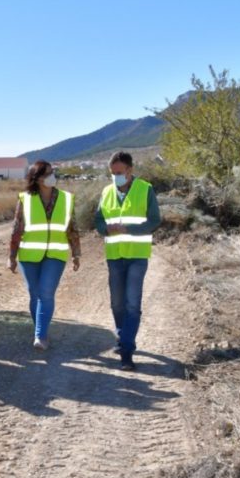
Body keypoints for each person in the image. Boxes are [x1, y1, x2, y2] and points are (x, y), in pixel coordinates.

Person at [94, 151, 162, 372]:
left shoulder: (146, 189)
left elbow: (154, 220)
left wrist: (128, 229)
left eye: (119, 173)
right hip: (114, 255)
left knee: (132, 303)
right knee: (116, 303)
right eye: (112, 173)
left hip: (137, 255)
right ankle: (123, 337)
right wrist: (105, 229)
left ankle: (126, 351)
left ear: (130, 170)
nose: (115, 177)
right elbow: (98, 219)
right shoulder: (106, 191)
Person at [8, 161, 81, 350]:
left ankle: (40, 336)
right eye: (48, 173)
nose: (52, 176)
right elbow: (17, 229)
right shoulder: (25, 199)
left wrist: (76, 253)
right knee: (35, 294)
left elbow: (72, 227)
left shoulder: (66, 198)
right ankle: (41, 329)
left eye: (53, 172)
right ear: (38, 178)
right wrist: (11, 256)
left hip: (55, 254)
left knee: (46, 293)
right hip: (29, 254)